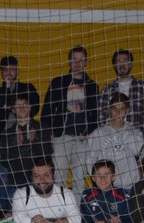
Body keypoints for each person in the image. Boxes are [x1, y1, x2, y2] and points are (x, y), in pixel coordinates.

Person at [42, 46, 99, 192]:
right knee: (59, 178)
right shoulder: (58, 83)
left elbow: (96, 114)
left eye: (81, 60)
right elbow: (47, 111)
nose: (77, 63)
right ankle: (59, 213)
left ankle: (76, 214)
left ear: (86, 62)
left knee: (79, 179)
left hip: (82, 138)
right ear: (69, 61)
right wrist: (49, 134)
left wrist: (90, 131)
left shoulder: (92, 86)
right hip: (61, 137)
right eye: (74, 59)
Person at [0, 95, 51, 198]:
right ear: (13, 110)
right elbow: (5, 162)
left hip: (38, 183)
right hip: (16, 183)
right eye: (18, 106)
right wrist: (17, 146)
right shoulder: (8, 133)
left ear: (30, 108)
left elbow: (47, 157)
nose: (22, 108)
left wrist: (33, 143)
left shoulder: (42, 128)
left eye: (25, 105)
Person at [88, 93, 144, 191]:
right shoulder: (98, 133)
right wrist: (99, 181)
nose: (118, 112)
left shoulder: (135, 132)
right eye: (115, 109)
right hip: (106, 186)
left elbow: (136, 150)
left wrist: (124, 130)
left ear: (127, 111)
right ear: (110, 110)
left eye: (122, 109)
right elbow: (90, 160)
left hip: (129, 186)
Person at [99, 49, 144, 138]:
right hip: (113, 139)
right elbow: (102, 117)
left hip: (137, 139)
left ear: (131, 64)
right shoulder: (107, 90)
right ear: (114, 65)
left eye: (125, 61)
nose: (122, 64)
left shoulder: (143, 87)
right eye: (119, 61)